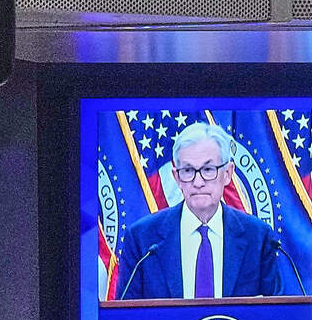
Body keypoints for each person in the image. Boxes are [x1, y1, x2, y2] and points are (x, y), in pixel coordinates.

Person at [114, 122, 284, 300]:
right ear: (176, 177)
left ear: (227, 173)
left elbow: (274, 311)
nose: (198, 182)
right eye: (188, 170)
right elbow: (126, 314)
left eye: (208, 169)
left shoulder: (258, 237)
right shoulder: (142, 239)